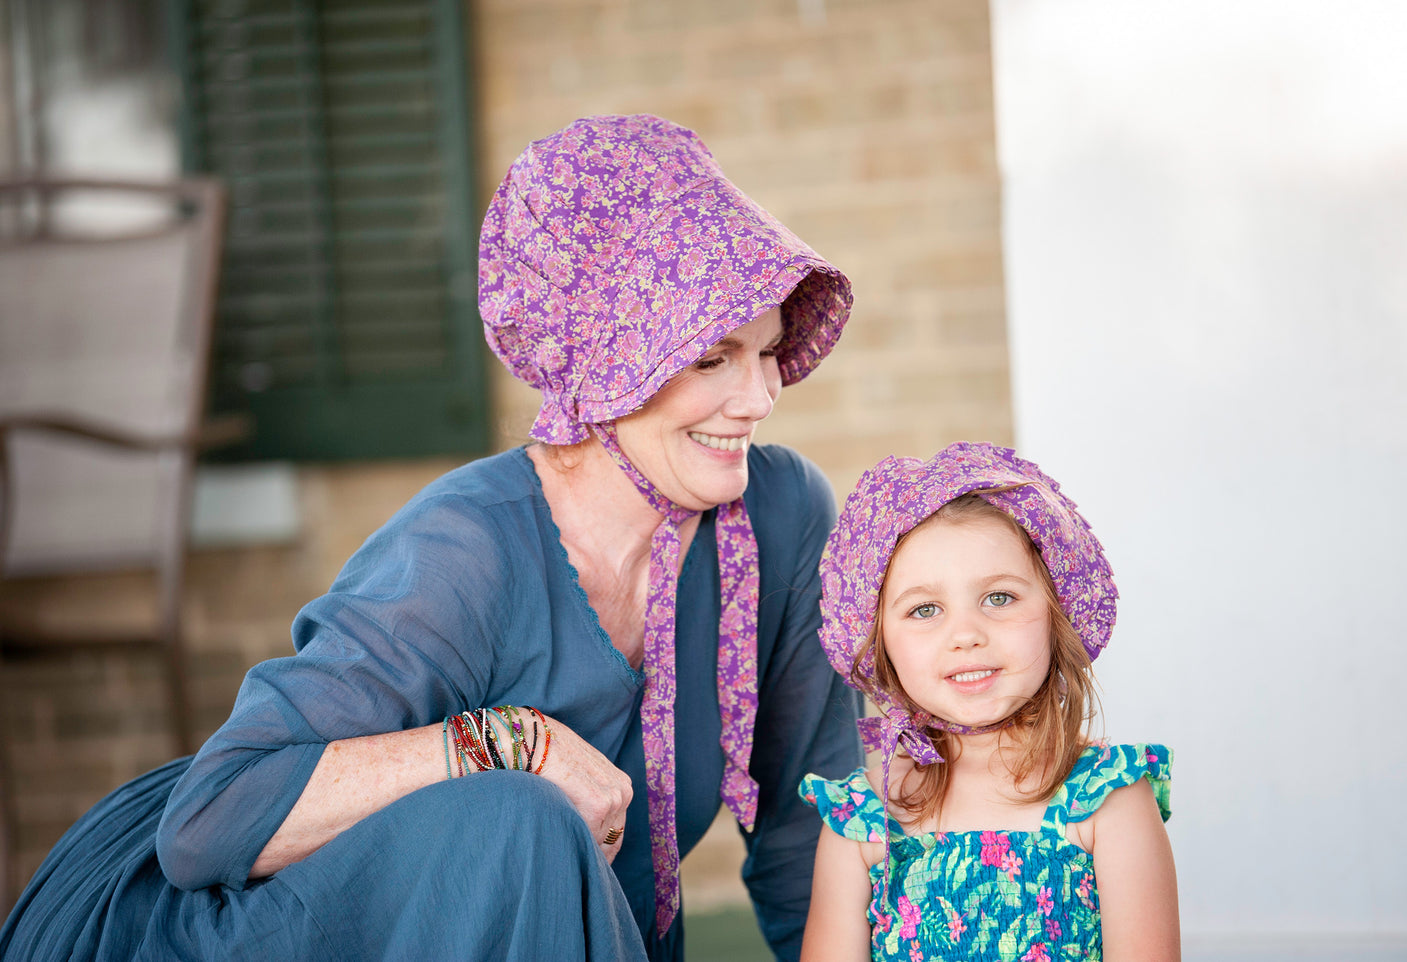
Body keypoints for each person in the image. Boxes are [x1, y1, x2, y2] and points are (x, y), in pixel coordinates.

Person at [0, 114, 863, 961]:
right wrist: (514, 743)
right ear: (604, 361)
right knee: (519, 815)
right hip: (272, 923)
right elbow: (211, 819)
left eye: (768, 351)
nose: (756, 397)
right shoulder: (465, 551)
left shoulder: (778, 517)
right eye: (711, 359)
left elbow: (809, 831)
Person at [797, 442, 1179, 962]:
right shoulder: (862, 821)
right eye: (925, 609)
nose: (966, 635)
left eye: (999, 598)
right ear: (878, 640)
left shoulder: (1108, 801)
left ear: (1055, 612)